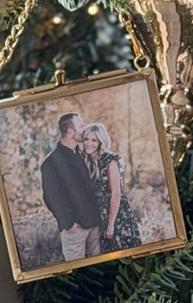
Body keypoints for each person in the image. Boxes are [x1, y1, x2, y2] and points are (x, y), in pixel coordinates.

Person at [39, 111, 101, 262]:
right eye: (81, 126)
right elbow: (50, 196)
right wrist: (68, 223)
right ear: (70, 131)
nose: (84, 129)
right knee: (78, 273)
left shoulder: (80, 154)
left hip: (93, 224)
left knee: (101, 269)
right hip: (75, 230)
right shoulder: (50, 163)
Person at [81, 121, 141, 252]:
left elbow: (116, 194)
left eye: (93, 140)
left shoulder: (109, 160)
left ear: (101, 142)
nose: (88, 143)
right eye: (86, 139)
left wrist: (110, 225)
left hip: (115, 214)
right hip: (95, 215)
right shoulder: (85, 160)